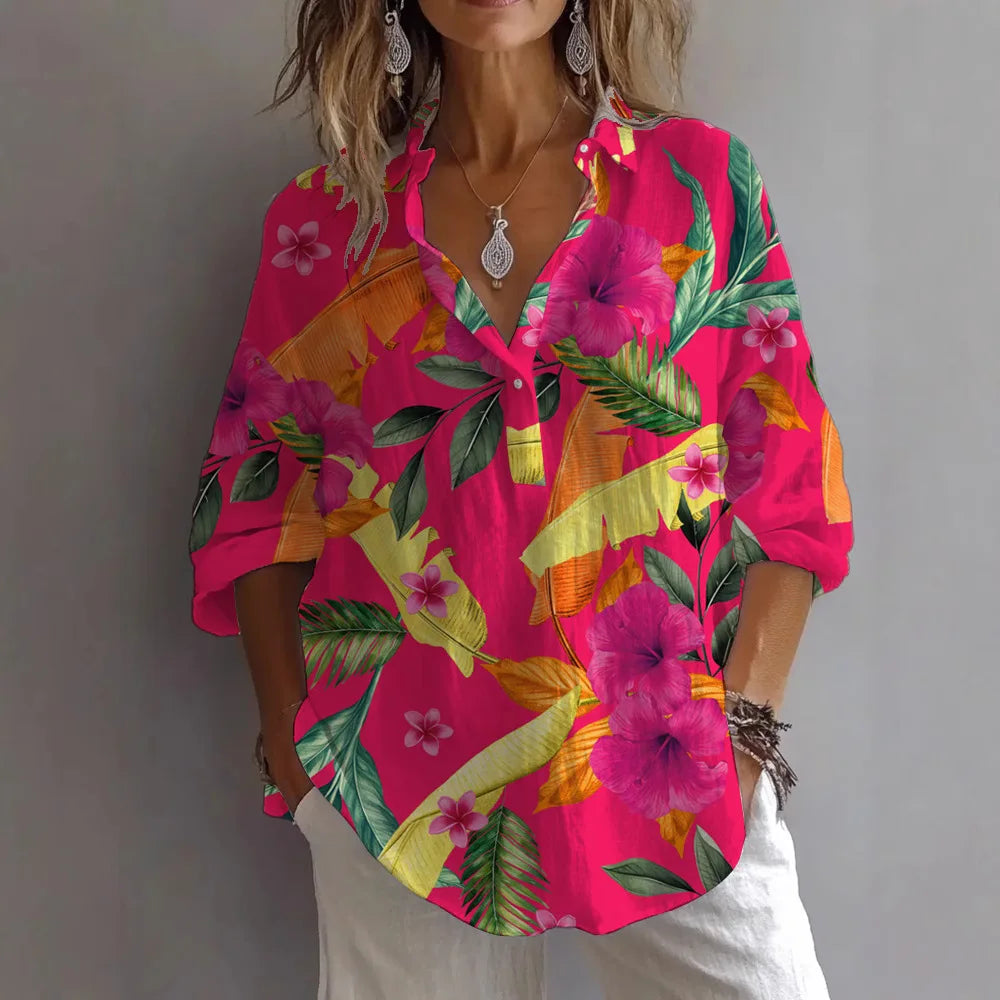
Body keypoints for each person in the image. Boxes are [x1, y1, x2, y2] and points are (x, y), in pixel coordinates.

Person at [188, 1, 855, 997]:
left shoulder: (699, 182)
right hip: (402, 795)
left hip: (675, 770)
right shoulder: (327, 222)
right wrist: (296, 747)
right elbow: (259, 497)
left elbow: (791, 479)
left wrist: (747, 728)